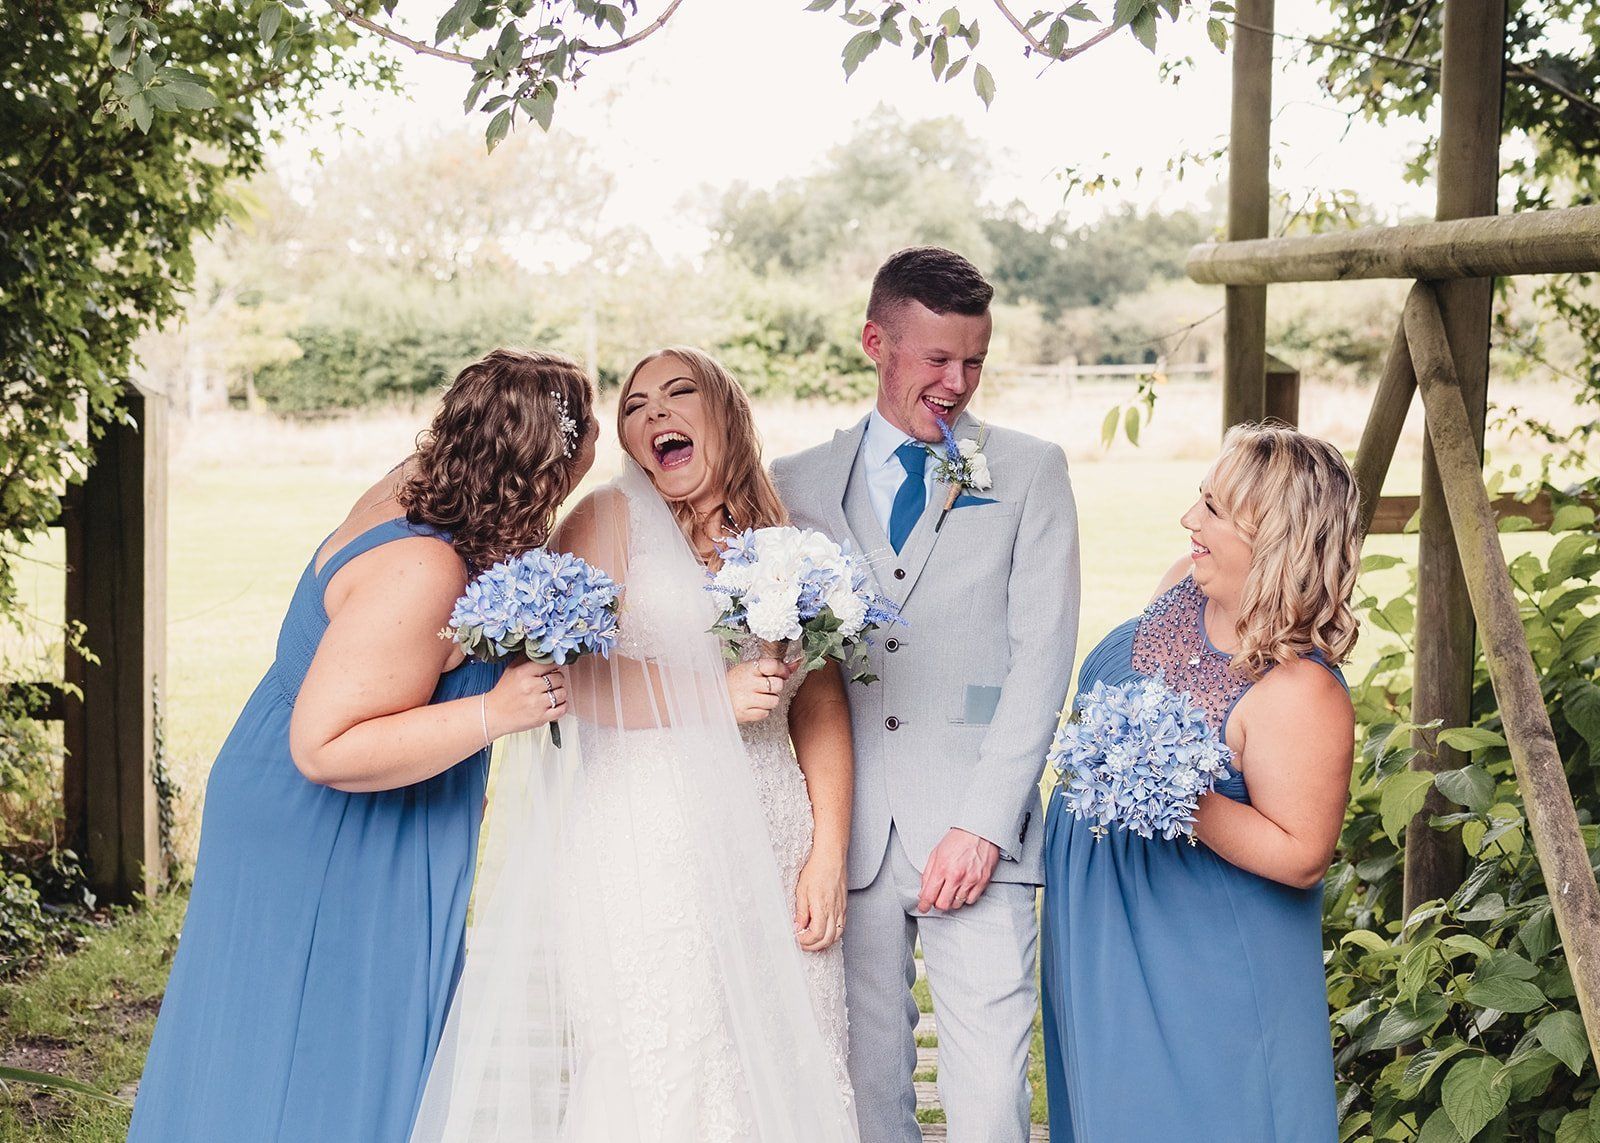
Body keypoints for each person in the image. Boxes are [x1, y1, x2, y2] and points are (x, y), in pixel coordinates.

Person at [129, 348, 598, 1143]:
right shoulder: (424, 564)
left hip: (348, 803)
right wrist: (494, 711)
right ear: (543, 463)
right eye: (580, 446)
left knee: (279, 1040)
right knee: (319, 1053)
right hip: (331, 824)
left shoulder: (430, 482)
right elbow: (326, 746)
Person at [411, 348, 857, 1142]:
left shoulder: (789, 539)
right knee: (664, 1066)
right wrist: (713, 698)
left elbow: (819, 703)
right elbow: (563, 679)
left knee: (790, 1056)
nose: (654, 414)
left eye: (679, 393)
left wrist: (828, 851)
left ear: (726, 412)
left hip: (770, 830)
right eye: (636, 405)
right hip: (644, 835)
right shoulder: (606, 521)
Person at [771, 246, 1082, 1143]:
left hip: (978, 829)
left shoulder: (1029, 471)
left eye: (975, 360)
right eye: (938, 358)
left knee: (989, 1093)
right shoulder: (795, 485)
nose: (958, 382)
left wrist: (985, 822)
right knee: (866, 1089)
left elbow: (1043, 658)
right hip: (844, 839)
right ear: (876, 341)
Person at [1040, 423, 1360, 1143]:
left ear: (1276, 537)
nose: (1191, 520)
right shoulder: (1186, 586)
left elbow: (1303, 851)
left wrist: (1169, 792)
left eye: (1214, 510)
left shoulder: (1299, 690)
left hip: (1198, 960)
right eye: (1200, 499)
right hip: (1105, 928)